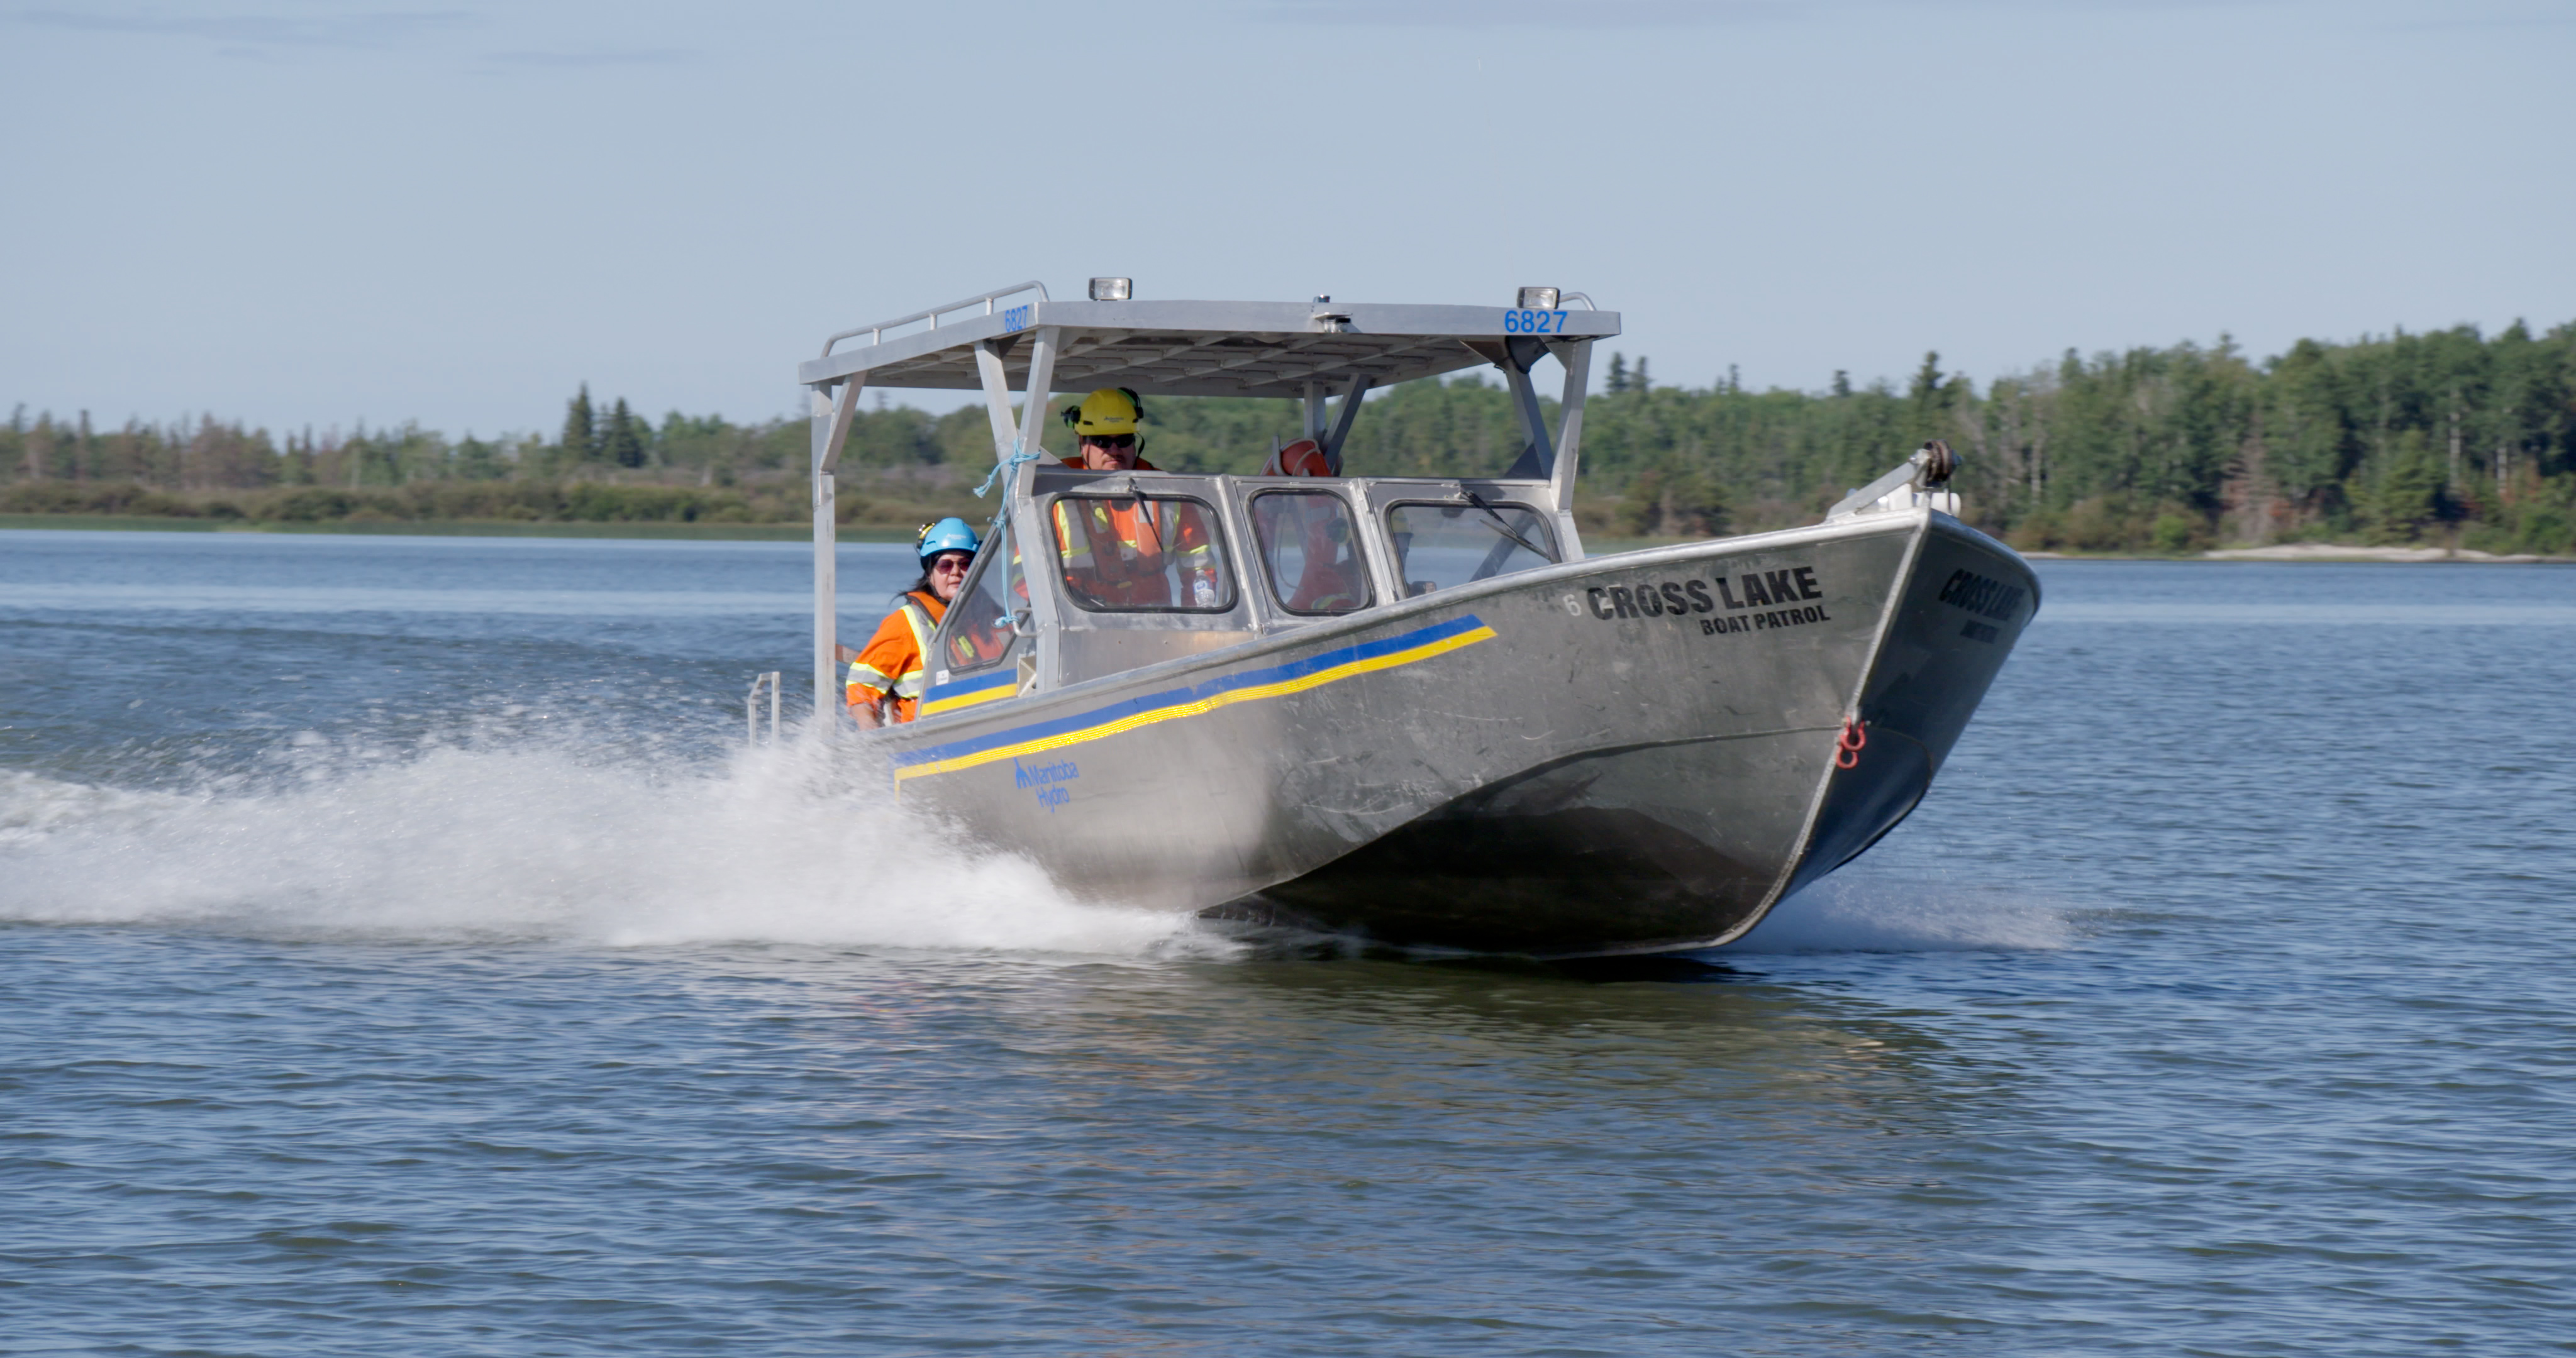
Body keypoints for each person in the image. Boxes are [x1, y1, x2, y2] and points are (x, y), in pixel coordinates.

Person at [846, 518, 979, 729]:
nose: (956, 572)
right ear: (930, 572)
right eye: (945, 565)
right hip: (927, 739)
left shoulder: (989, 619)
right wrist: (869, 733)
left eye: (965, 564)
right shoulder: (905, 622)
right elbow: (862, 684)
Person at [1058, 388, 1161, 472]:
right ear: (1082, 443)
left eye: (1124, 441)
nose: (1114, 450)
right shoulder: (1057, 482)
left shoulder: (1160, 486)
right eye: (1102, 441)